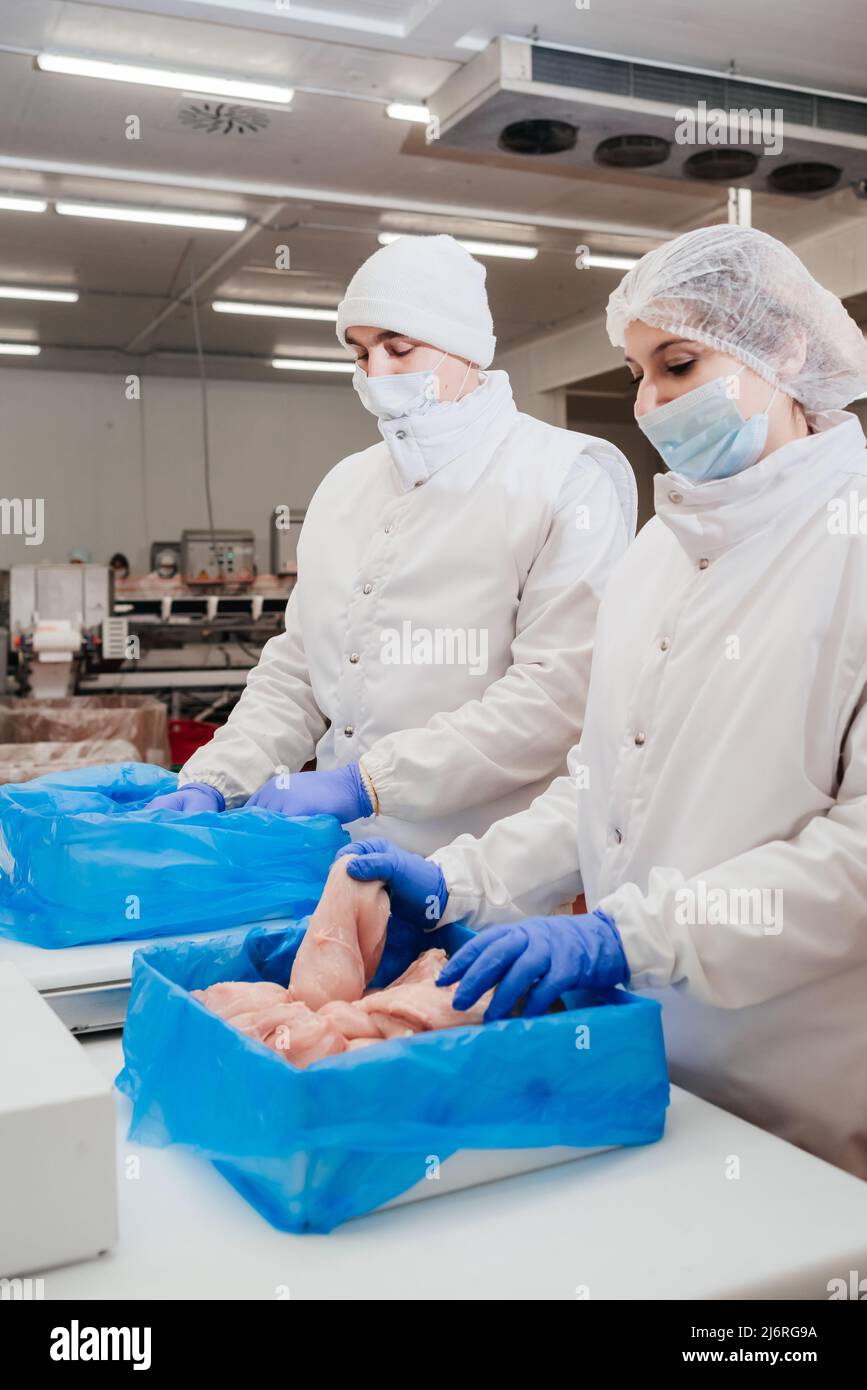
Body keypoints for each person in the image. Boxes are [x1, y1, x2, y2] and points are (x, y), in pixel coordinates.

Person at [340, 224, 867, 1179]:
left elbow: (857, 857)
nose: (651, 402)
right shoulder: (662, 551)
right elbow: (601, 779)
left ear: (784, 351)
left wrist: (628, 935)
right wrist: (468, 879)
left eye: (677, 364)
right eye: (635, 373)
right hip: (642, 1064)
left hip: (809, 1089)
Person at [150, 233, 636, 855]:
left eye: (399, 349)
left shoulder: (562, 477)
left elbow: (557, 694)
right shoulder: (346, 484)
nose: (376, 373)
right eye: (359, 353)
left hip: (492, 865)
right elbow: (298, 667)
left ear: (466, 350)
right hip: (335, 851)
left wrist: (369, 783)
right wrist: (218, 779)